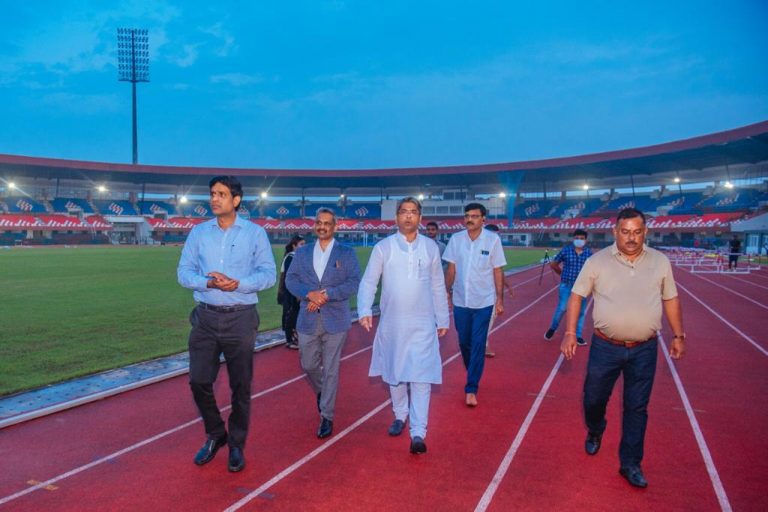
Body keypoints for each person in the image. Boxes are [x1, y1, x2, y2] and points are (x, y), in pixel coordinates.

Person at [561, 207, 686, 489]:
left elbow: (671, 299)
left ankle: (631, 464)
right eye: (625, 232)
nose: (631, 238)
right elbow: (577, 296)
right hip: (605, 347)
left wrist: (679, 335)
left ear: (645, 232)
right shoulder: (596, 262)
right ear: (615, 232)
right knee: (593, 399)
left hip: (644, 349)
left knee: (637, 407)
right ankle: (596, 428)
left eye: (637, 232)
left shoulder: (660, 262)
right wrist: (570, 333)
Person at [177, 175, 276, 473]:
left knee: (240, 386)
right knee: (198, 380)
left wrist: (238, 284)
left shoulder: (255, 234)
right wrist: (208, 282)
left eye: (221, 194)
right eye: (212, 193)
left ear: (236, 200)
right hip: (206, 317)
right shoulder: (198, 233)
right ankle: (216, 433)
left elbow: (268, 275)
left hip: (241, 317)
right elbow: (183, 272)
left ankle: (235, 444)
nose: (214, 199)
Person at [358, 197, 449, 454]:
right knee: (394, 374)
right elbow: (369, 281)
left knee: (421, 377)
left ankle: (418, 432)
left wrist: (443, 317)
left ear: (420, 217)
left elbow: (437, 284)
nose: (408, 216)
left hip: (423, 324)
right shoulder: (383, 247)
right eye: (404, 211)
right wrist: (364, 310)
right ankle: (400, 414)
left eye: (413, 212)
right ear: (396, 217)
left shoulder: (430, 248)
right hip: (393, 324)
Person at [285, 208, 361, 439]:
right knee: (308, 364)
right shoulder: (302, 252)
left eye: (327, 223)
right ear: (314, 225)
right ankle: (322, 392)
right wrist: (309, 294)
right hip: (307, 318)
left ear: (335, 226)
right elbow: (290, 280)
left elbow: (354, 282)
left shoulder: (346, 252)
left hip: (336, 320)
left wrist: (327, 295)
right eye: (319, 222)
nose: (322, 226)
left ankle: (326, 415)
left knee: (330, 369)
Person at [443, 203, 507, 407]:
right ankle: (473, 369)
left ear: (483, 219)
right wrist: (445, 291)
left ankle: (471, 388)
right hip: (461, 301)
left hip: (484, 302)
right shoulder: (456, 239)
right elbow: (451, 269)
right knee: (464, 342)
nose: (469, 219)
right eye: (467, 216)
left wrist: (500, 299)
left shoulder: (493, 240)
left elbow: (497, 270)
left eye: (474, 216)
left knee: (478, 343)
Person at [544, 229, 592, 346]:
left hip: (581, 287)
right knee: (562, 308)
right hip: (566, 285)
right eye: (577, 238)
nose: (579, 240)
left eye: (582, 238)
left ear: (586, 240)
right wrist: (561, 273)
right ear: (573, 239)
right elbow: (554, 264)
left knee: (580, 311)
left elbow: (592, 271)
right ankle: (553, 328)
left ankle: (578, 336)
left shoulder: (589, 254)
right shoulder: (566, 250)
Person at [482, 223, 513, 358]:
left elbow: (498, 269)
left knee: (491, 316)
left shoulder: (495, 247)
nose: (496, 238)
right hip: (474, 290)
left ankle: (483, 344)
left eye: (497, 235)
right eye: (494, 235)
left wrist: (507, 285)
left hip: (490, 290)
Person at [278, 235, 306, 349]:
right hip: (291, 292)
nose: (304, 246)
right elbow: (291, 277)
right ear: (294, 245)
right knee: (292, 314)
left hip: (296, 290)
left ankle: (294, 339)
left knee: (296, 314)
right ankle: (291, 340)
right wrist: (297, 292)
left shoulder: (298, 257)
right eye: (301, 244)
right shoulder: (290, 257)